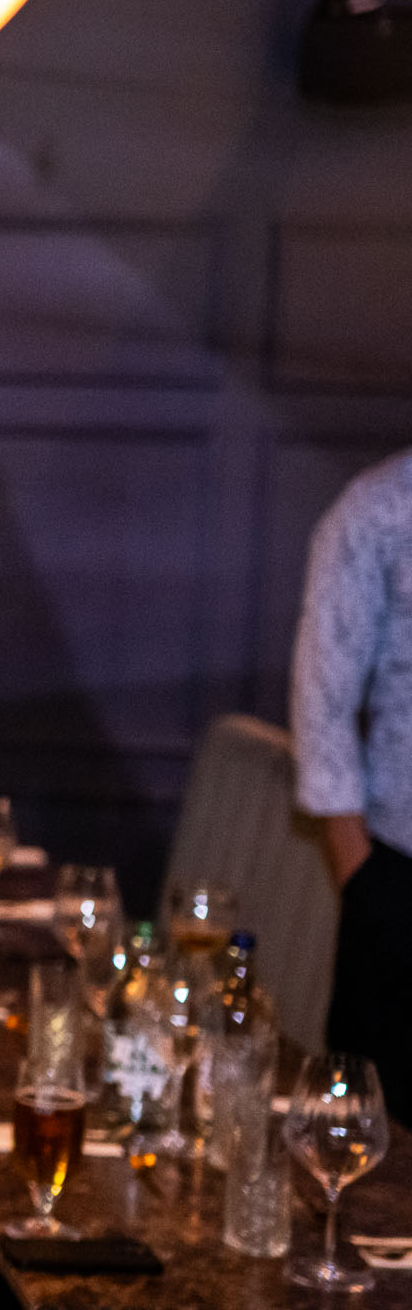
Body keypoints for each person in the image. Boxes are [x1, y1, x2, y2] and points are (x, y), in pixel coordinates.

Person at [294, 447, 412, 1114]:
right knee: (373, 1135)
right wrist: (363, 880)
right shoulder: (382, 508)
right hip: (397, 881)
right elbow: (322, 702)